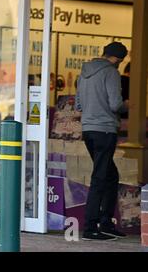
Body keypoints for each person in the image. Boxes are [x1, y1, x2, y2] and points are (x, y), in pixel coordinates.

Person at [75, 41, 129, 241]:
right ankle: (90, 228)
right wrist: (127, 105)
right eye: (121, 61)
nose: (120, 64)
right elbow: (115, 104)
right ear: (117, 58)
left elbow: (78, 105)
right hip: (105, 130)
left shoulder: (84, 72)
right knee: (99, 178)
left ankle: (106, 222)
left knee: (110, 175)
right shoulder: (111, 73)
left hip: (88, 130)